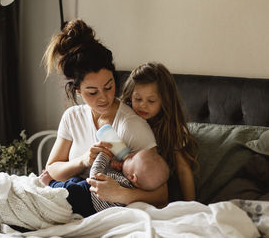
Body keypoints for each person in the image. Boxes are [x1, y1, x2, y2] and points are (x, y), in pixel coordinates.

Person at [42, 19, 169, 211]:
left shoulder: (132, 124)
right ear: (78, 90)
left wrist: (121, 194)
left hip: (105, 207)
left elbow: (162, 195)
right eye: (92, 92)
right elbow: (52, 169)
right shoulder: (72, 117)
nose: (104, 98)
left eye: (109, 86)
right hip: (69, 199)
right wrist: (83, 161)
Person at [121, 62, 198, 201]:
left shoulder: (171, 130)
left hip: (156, 193)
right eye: (138, 99)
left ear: (165, 101)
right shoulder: (125, 120)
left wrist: (191, 205)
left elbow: (183, 170)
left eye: (151, 101)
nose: (143, 105)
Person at [40, 148, 169, 217]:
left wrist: (104, 156)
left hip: (89, 202)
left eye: (131, 158)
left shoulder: (122, 183)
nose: (129, 154)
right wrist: (118, 166)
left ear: (133, 177)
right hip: (89, 191)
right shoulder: (131, 183)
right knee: (76, 181)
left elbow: (95, 175)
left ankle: (50, 182)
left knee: (71, 191)